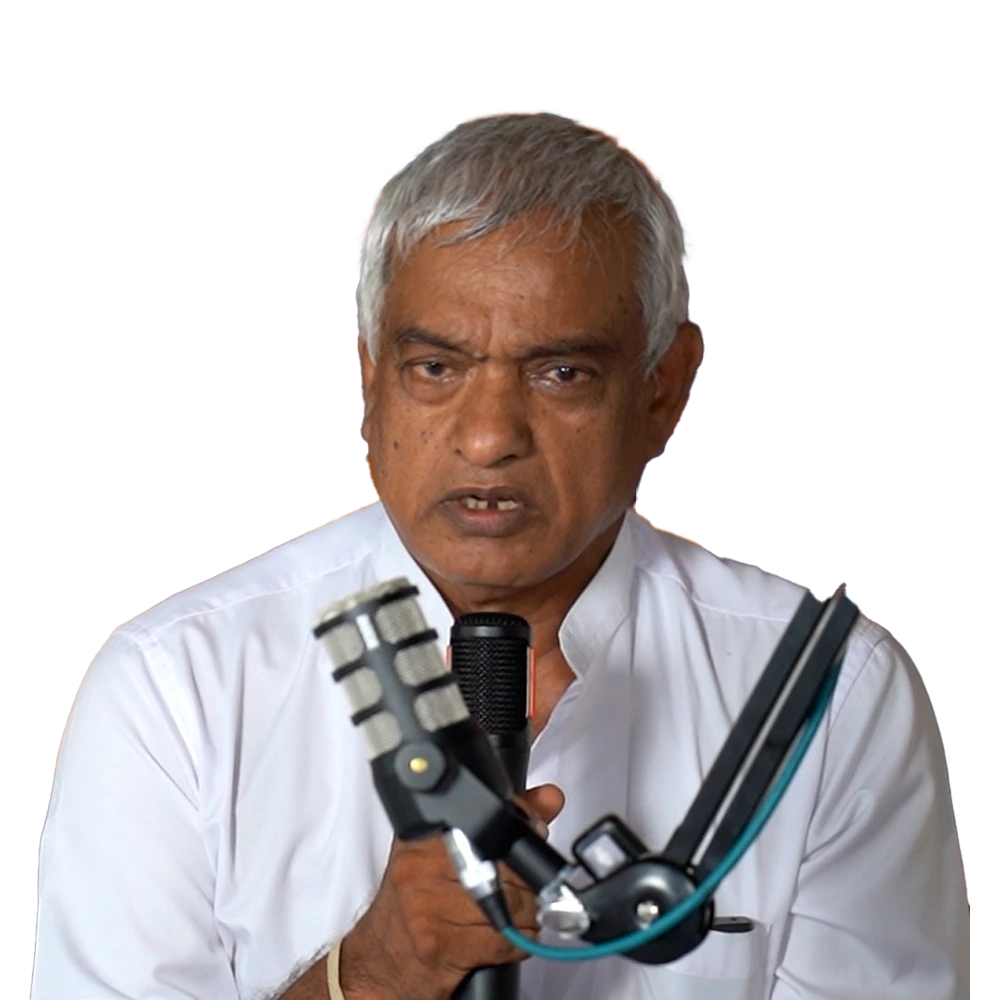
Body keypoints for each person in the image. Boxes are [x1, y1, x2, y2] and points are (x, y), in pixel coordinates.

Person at [32, 112, 973, 1000]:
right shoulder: (176, 688)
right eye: (435, 367)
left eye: (561, 372)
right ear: (371, 374)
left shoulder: (831, 698)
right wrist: (376, 974)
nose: (488, 438)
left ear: (661, 389)